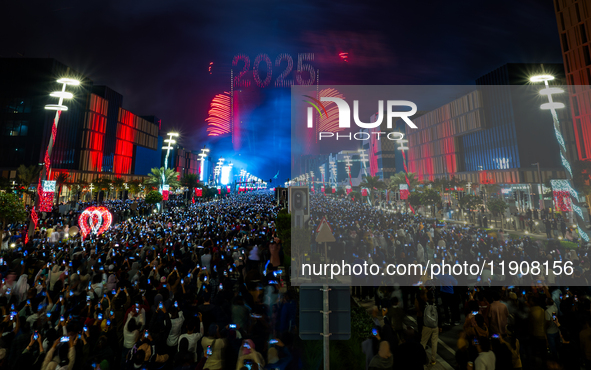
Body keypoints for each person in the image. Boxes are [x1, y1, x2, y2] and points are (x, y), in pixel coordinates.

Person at [419, 291, 440, 365]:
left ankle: (421, 359)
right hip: (435, 326)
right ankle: (433, 359)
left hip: (426, 327)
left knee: (423, 343)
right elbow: (439, 316)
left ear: (427, 297)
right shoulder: (436, 305)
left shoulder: (424, 305)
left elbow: (421, 316)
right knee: (434, 343)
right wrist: (439, 326)